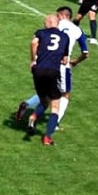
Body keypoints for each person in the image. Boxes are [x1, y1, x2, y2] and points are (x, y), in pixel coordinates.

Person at [15, 6, 89, 129]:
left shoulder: (53, 25)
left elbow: (40, 40)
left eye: (57, 15)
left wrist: (34, 59)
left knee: (46, 93)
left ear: (63, 15)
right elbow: (85, 53)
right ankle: (54, 123)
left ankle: (27, 104)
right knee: (64, 94)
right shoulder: (77, 30)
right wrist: (76, 61)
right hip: (61, 65)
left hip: (43, 63)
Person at [27, 14, 70, 145]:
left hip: (38, 71)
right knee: (55, 105)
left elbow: (33, 42)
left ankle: (34, 116)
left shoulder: (40, 33)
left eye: (44, 22)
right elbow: (65, 60)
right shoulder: (65, 37)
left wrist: (33, 60)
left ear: (49, 22)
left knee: (44, 101)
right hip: (52, 71)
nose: (44, 24)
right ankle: (47, 137)